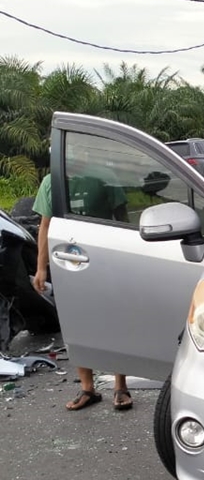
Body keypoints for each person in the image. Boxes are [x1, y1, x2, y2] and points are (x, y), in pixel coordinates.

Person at [30, 172, 133, 410]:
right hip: (69, 261)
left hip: (106, 261)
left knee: (114, 323)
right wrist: (40, 268)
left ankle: (121, 386)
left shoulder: (106, 178)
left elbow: (123, 221)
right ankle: (88, 389)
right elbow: (45, 225)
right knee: (77, 325)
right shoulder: (50, 182)